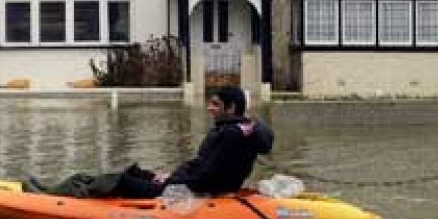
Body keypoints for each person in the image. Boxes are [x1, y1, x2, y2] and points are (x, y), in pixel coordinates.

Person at [27, 86, 274, 199]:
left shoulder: (230, 135)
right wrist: (166, 175)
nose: (209, 108)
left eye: (216, 104)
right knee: (136, 171)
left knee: (123, 179)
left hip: (193, 192)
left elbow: (207, 178)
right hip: (191, 185)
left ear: (231, 108)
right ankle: (63, 187)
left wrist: (170, 181)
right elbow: (203, 167)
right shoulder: (246, 129)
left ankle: (49, 197)